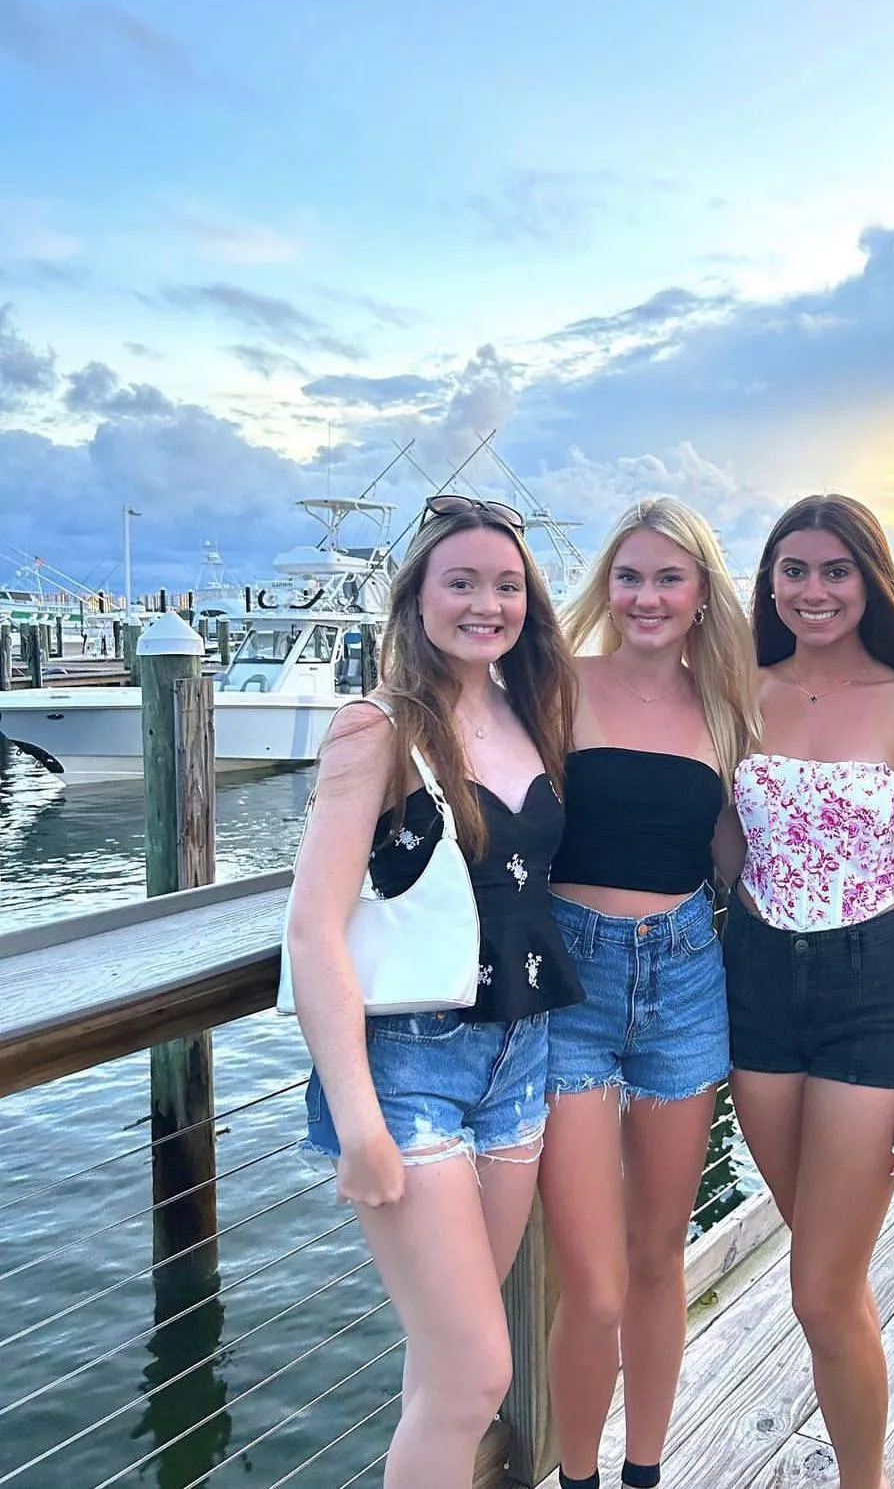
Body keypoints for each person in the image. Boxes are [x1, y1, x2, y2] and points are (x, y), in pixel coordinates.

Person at [287, 495, 582, 1489]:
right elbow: (313, 926)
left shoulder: (523, 709)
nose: (486, 602)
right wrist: (360, 1119)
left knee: (446, 1365)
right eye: (461, 581)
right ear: (416, 598)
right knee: (474, 1373)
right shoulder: (378, 727)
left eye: (507, 585)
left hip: (519, 1056)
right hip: (407, 1064)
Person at [721, 493, 894, 1489]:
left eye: (835, 570)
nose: (813, 590)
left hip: (877, 990)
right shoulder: (737, 690)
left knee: (821, 1290)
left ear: (869, 579)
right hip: (757, 987)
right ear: (769, 580)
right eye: (794, 569)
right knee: (828, 1267)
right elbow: (721, 842)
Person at [540, 497, 760, 1489]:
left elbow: (738, 855)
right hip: (567, 985)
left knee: (658, 1255)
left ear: (703, 594)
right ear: (606, 585)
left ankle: (643, 1471)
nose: (647, 595)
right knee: (588, 1281)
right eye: (629, 575)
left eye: (669, 577)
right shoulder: (554, 687)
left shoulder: (726, 710)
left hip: (684, 977)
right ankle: (575, 1475)